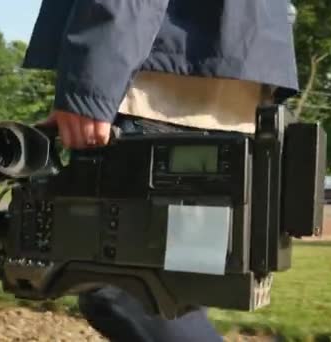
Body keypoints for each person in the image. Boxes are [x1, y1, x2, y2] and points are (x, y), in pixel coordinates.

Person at [22, 0, 299, 340]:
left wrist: (91, 86)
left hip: (157, 77)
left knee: (120, 285)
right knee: (178, 285)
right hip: (227, 74)